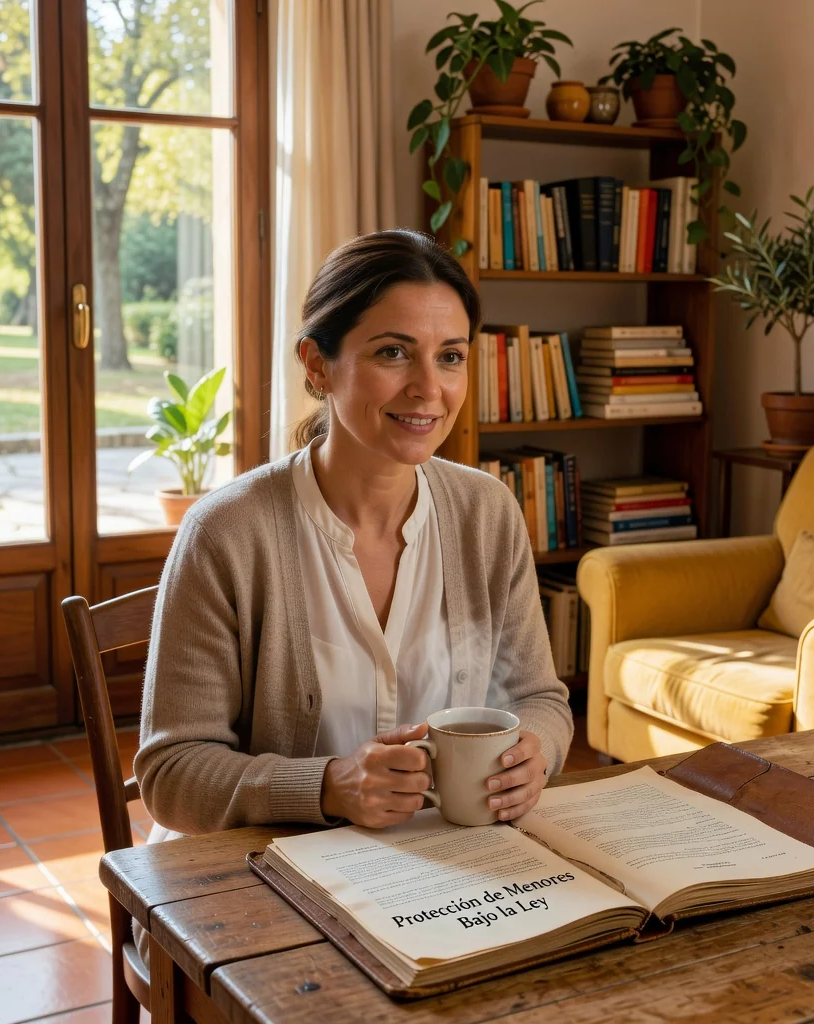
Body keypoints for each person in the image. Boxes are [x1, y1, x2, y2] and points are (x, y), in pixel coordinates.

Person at [135, 228, 573, 849]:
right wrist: (329, 786)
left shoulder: (488, 512)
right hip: (258, 876)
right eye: (393, 353)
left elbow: (540, 698)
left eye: (450, 356)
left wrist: (537, 751)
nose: (429, 388)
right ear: (318, 365)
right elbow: (171, 775)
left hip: (446, 868)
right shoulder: (227, 531)